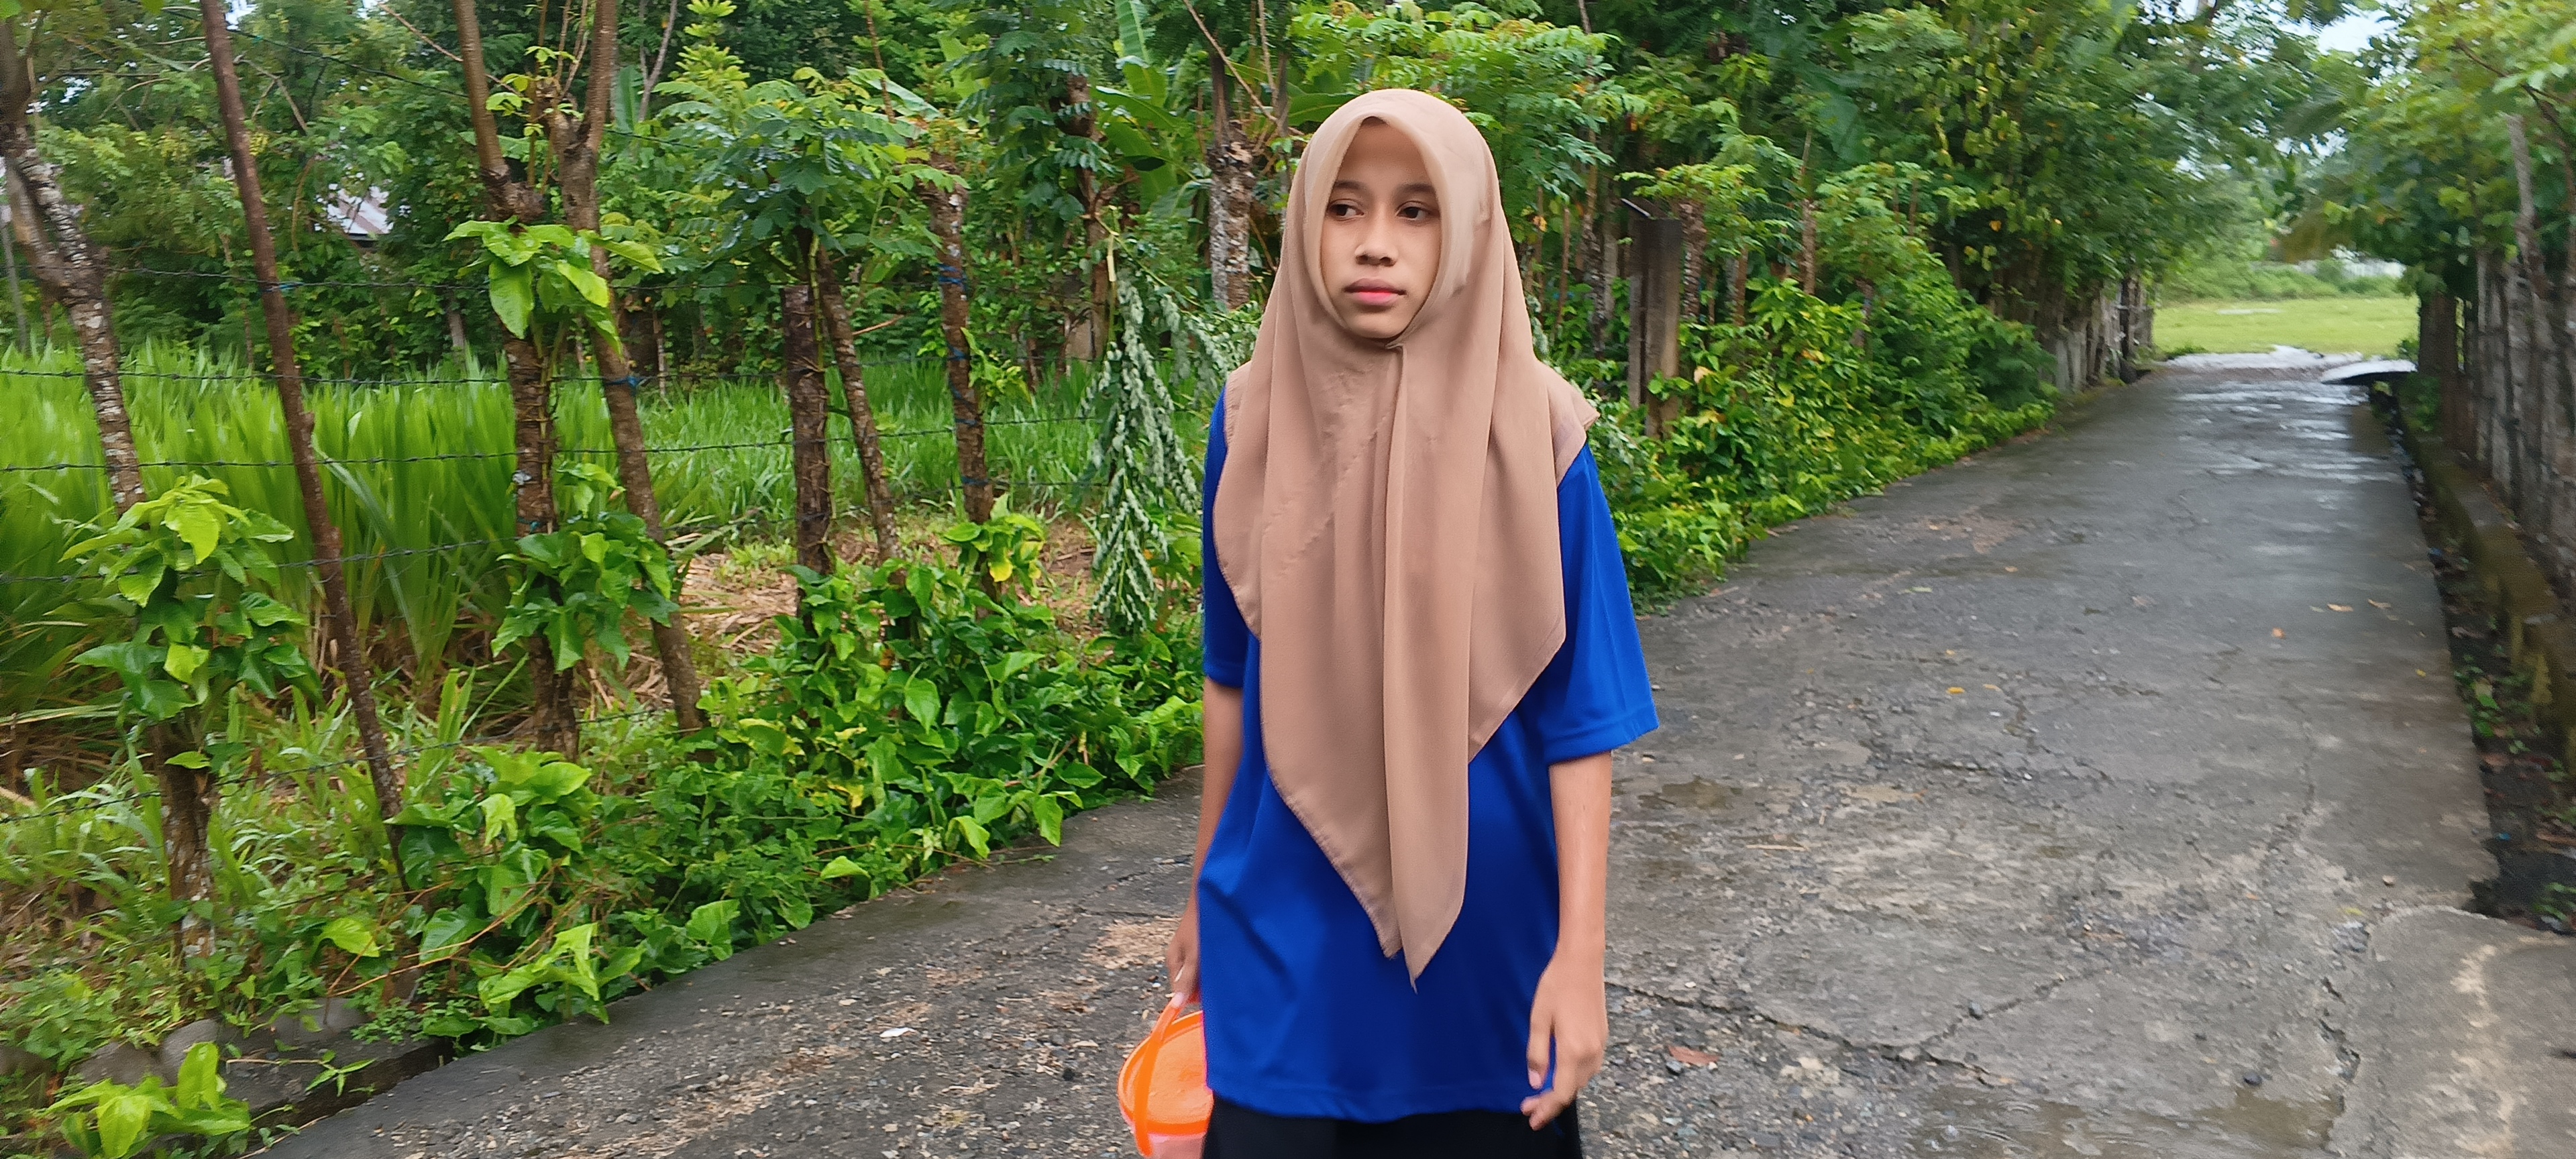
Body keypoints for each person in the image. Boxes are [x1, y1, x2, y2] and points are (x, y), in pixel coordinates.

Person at [1164, 89, 1660, 1159]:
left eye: (1416, 210)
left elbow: (1582, 720)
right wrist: (1202, 890)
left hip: (1489, 958)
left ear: (1469, 228)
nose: (1376, 244)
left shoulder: (1540, 435)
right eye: (1344, 208)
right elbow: (1230, 678)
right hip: (1281, 936)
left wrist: (1581, 959)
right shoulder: (1249, 419)